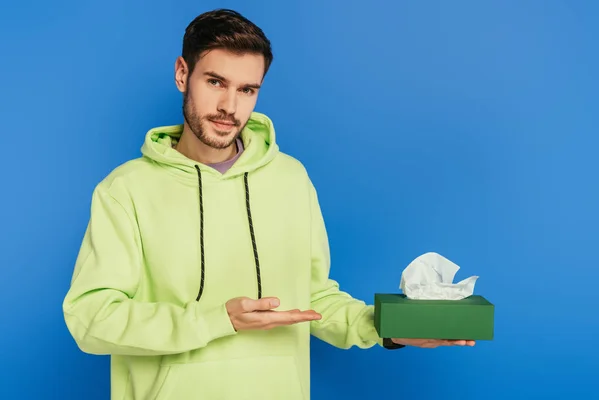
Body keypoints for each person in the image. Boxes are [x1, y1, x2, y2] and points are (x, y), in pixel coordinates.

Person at [62, 8, 475, 400]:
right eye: (215, 82)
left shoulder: (291, 179)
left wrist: (389, 330)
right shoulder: (125, 189)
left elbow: (314, 299)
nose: (229, 106)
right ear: (182, 73)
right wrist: (216, 319)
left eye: (247, 90)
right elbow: (91, 318)